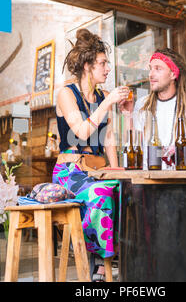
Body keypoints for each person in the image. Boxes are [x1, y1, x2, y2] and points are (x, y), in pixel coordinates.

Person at [53, 28, 129, 281]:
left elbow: (109, 139)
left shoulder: (102, 96)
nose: (108, 69)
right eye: (103, 63)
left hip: (96, 170)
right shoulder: (66, 94)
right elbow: (82, 132)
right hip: (69, 171)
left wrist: (118, 171)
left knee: (129, 189)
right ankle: (99, 263)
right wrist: (107, 105)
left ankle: (126, 256)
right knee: (101, 193)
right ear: (87, 65)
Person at [121, 48, 186, 165]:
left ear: (173, 74)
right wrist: (128, 116)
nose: (151, 74)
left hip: (181, 177)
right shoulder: (142, 104)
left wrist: (182, 174)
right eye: (150, 69)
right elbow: (134, 147)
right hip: (149, 176)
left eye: (158, 69)